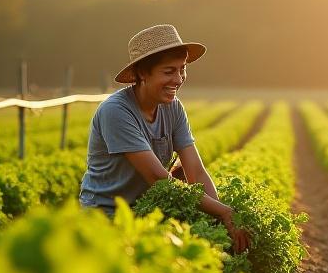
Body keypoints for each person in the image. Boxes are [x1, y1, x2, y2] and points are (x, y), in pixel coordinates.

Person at [79, 24, 250, 252]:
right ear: (141, 73)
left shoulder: (173, 108)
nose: (178, 79)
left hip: (145, 213)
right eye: (169, 71)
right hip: (105, 216)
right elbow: (157, 178)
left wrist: (220, 218)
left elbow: (196, 172)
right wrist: (223, 211)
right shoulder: (116, 111)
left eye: (182, 69)